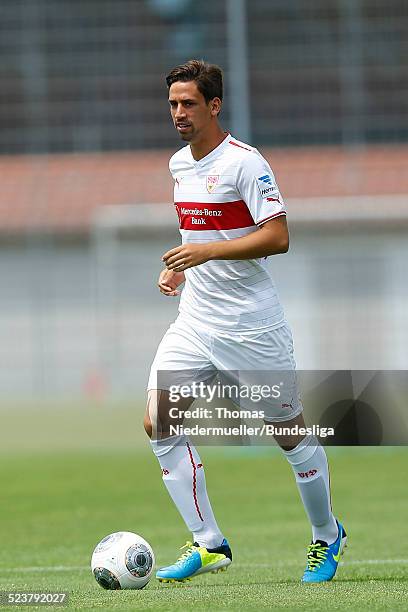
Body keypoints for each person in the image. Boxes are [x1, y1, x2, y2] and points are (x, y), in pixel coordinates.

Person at [143, 59, 347, 584]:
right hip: (195, 323)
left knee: (289, 435)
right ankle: (209, 543)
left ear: (214, 105)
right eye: (172, 104)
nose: (179, 113)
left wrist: (207, 253)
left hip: (252, 329)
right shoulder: (177, 166)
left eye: (189, 103)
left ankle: (327, 536)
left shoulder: (245, 164)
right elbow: (198, 235)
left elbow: (277, 237)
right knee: (157, 423)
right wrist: (181, 272)